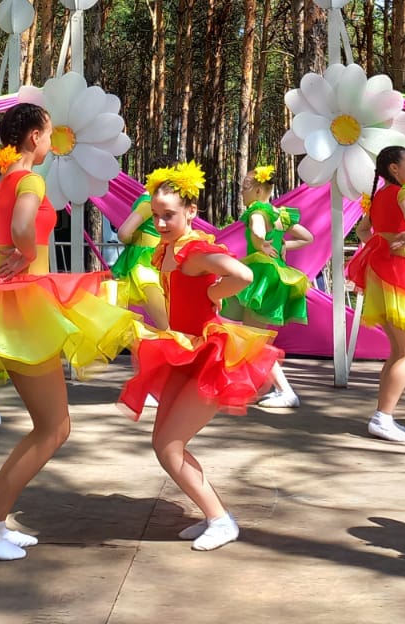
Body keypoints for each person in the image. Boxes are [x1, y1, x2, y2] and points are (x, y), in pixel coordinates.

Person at [0, 102, 136, 560]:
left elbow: (10, 227)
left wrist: (19, 251)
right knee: (53, 428)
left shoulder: (5, 179)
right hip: (24, 303)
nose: (50, 141)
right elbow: (24, 226)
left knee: (49, 426)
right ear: (33, 138)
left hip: (13, 302)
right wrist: (25, 252)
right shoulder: (30, 178)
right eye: (48, 133)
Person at [118, 163, 281, 551]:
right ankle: (213, 514)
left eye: (168, 216)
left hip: (208, 354)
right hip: (183, 350)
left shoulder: (194, 248)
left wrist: (212, 295)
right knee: (163, 444)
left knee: (169, 446)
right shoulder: (168, 248)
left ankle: (220, 519)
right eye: (156, 216)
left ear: (191, 211)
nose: (159, 223)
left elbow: (241, 274)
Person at [346, 146, 405, 443]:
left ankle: (383, 415)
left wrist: (381, 241)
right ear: (394, 168)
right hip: (394, 273)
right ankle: (383, 417)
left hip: (378, 271)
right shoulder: (403, 193)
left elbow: (363, 231)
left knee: (399, 351)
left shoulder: (376, 198)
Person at [231, 163, 312, 409]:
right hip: (276, 274)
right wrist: (285, 246)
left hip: (262, 275)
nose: (242, 195)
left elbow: (256, 229)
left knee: (255, 338)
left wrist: (261, 243)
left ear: (256, 190)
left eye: (244, 189)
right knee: (254, 336)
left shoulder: (257, 211)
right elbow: (308, 237)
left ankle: (284, 390)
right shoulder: (280, 215)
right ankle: (264, 387)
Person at [111, 184, 167, 328]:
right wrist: (135, 241)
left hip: (147, 263)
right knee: (167, 325)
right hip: (145, 264)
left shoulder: (147, 198)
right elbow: (123, 233)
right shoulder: (149, 202)